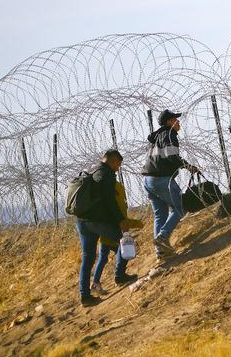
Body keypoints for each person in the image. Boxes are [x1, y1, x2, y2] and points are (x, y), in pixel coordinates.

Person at [76, 149, 139, 305]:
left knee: (87, 259)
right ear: (112, 161)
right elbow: (110, 201)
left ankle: (85, 297)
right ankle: (119, 276)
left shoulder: (91, 171)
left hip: (82, 221)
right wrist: (120, 220)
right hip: (97, 222)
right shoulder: (107, 175)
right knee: (125, 244)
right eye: (118, 164)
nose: (118, 167)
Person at [141, 110, 200, 259]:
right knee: (180, 207)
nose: (178, 122)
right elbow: (172, 156)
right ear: (169, 122)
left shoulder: (155, 138)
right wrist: (189, 166)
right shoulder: (169, 134)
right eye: (176, 120)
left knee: (160, 214)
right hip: (161, 179)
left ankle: (161, 251)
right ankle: (163, 236)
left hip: (148, 180)